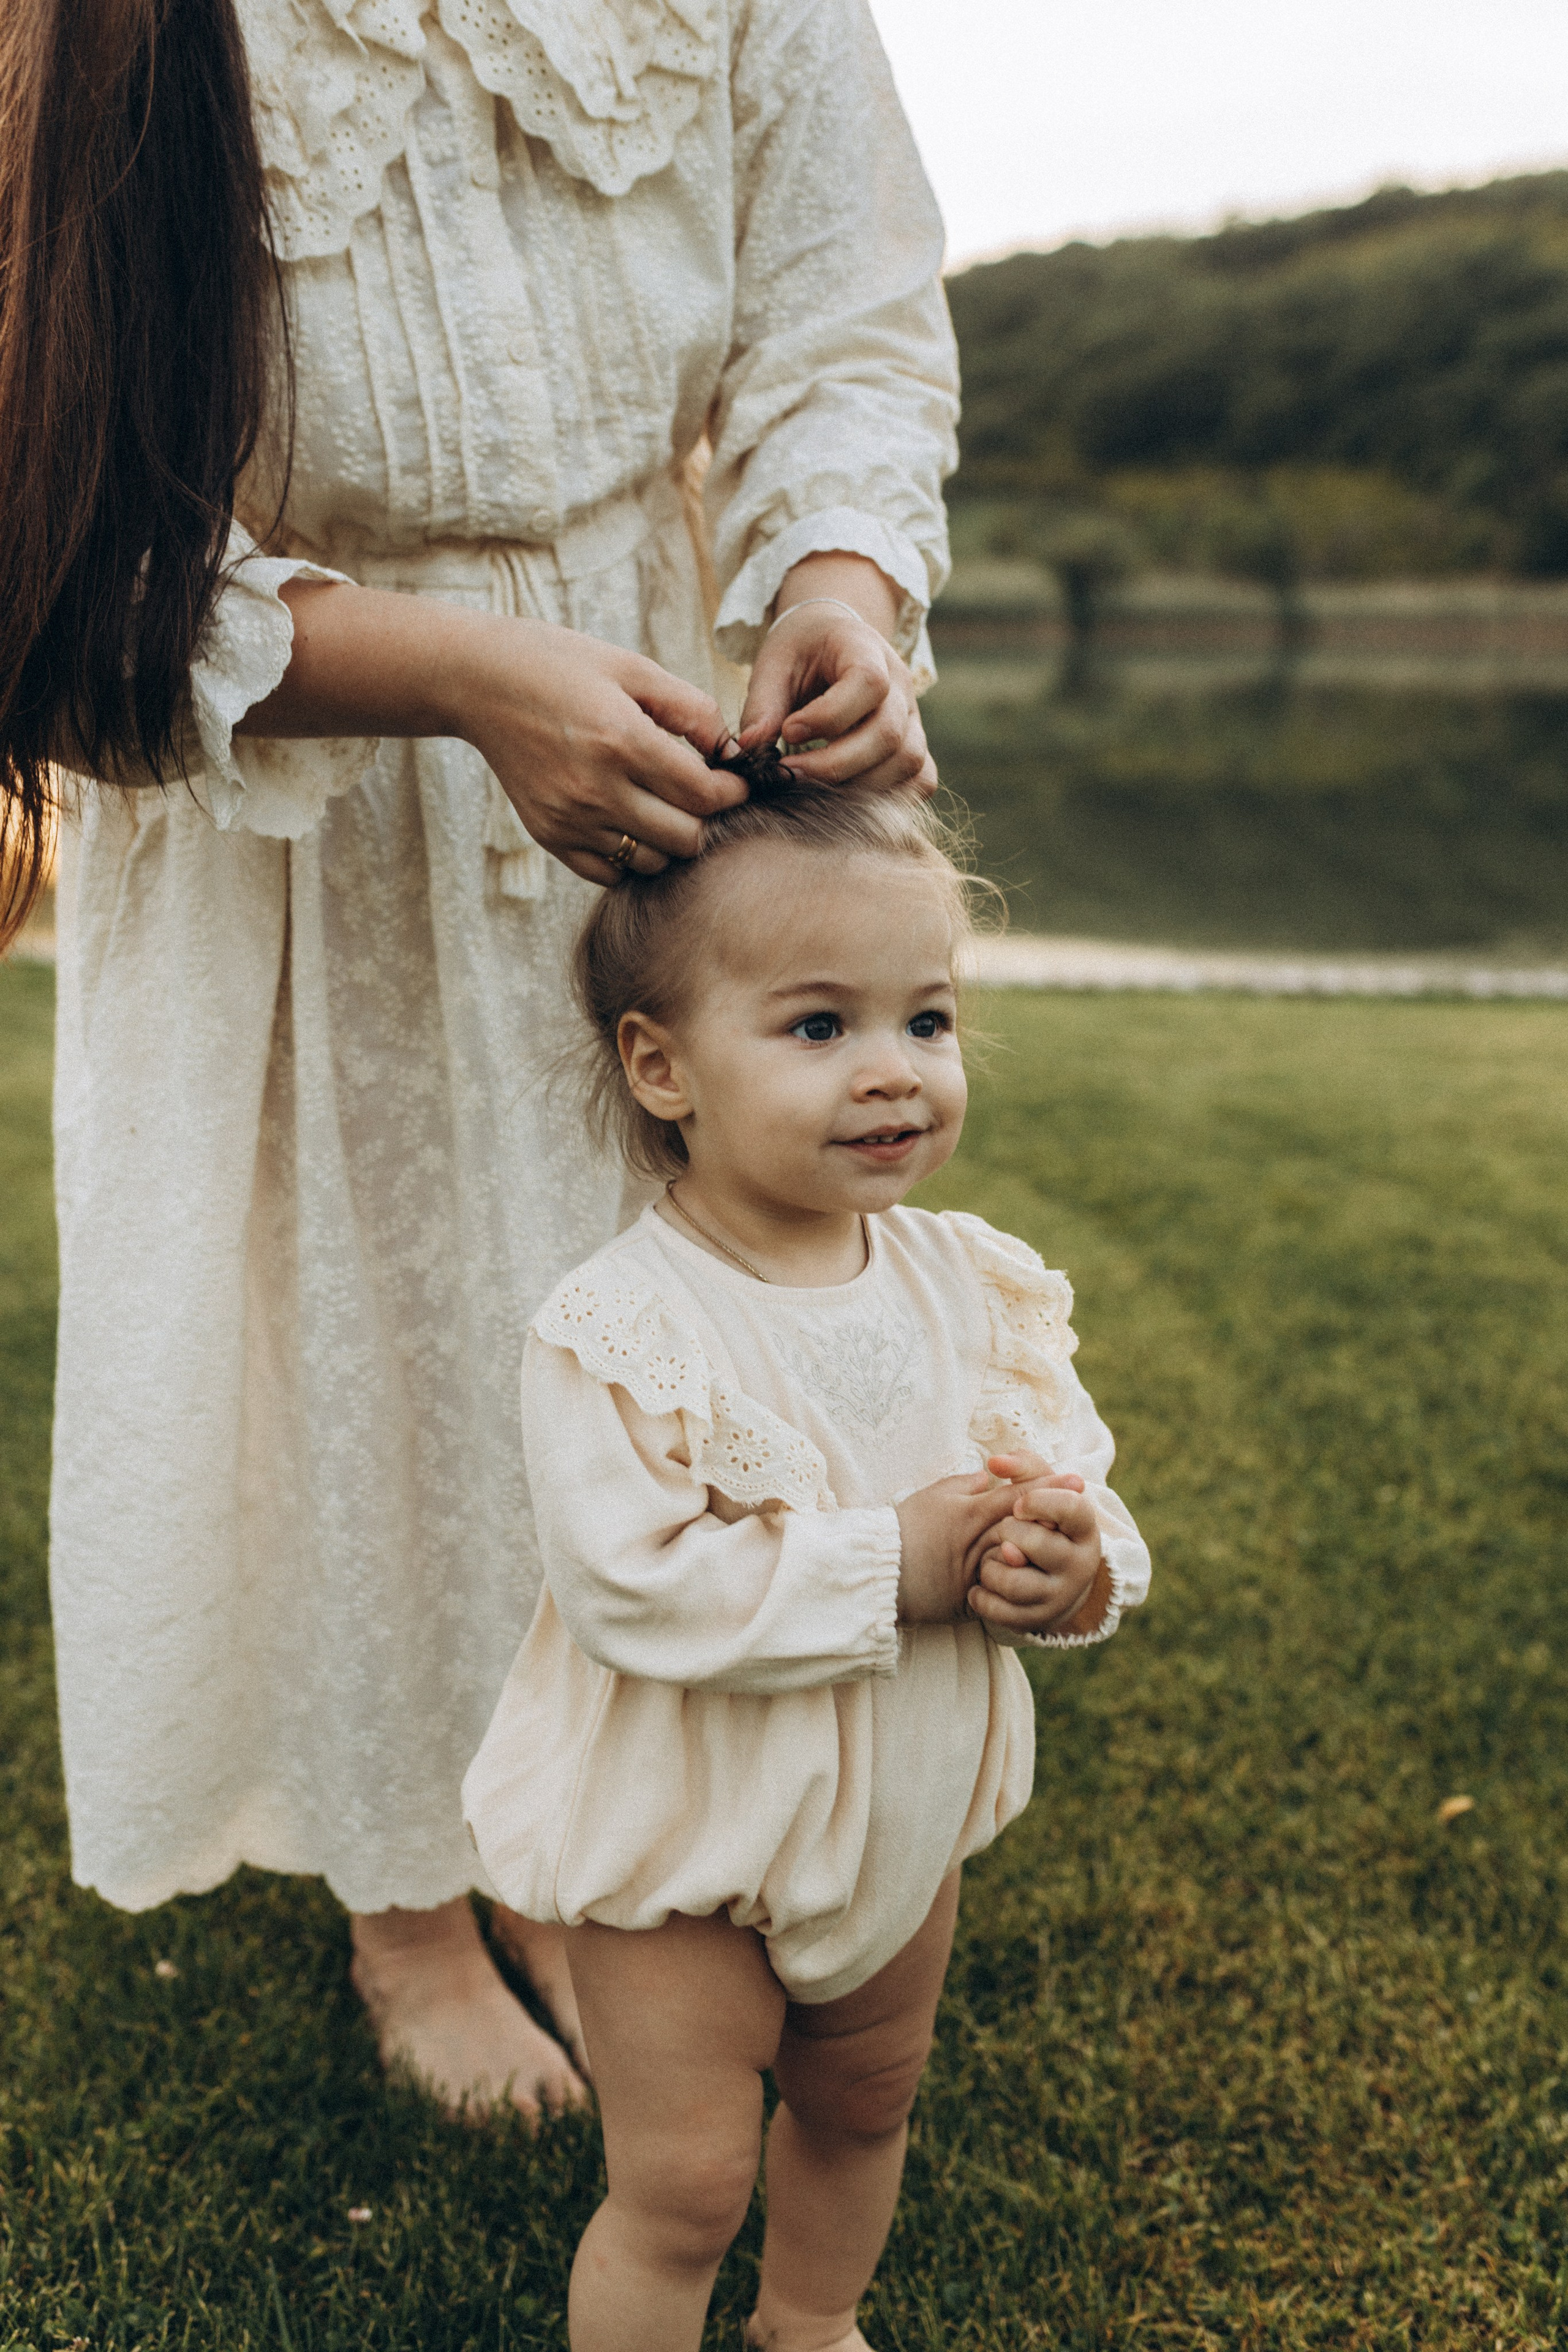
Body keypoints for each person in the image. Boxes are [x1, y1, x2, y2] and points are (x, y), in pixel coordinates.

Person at [0, 0, 960, 2114]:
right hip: (302, 782)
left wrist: (838, 580)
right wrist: (454, 677)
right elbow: (56, 559)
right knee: (363, 1339)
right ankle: (413, 1909)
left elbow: (848, 308)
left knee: (638, 1329)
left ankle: (579, 1853)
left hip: (648, 756)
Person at [462, 783, 1152, 2350]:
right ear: (662, 1066)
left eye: (927, 1019)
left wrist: (1071, 1560)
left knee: (863, 2097)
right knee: (688, 2177)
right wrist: (891, 1565)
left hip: (897, 1805)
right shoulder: (624, 1327)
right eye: (819, 1028)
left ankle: (809, 2325)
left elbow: (1071, 1473)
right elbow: (626, 1585)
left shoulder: (966, 1283)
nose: (893, 1072)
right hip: (692, 1823)